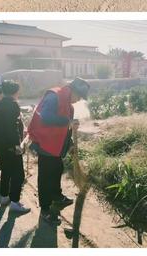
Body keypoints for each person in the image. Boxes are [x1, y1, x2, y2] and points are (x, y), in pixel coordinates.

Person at [27, 77, 90, 224]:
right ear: (73, 90)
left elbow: (67, 130)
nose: (79, 100)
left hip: (57, 146)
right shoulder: (54, 96)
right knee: (46, 178)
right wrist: (68, 122)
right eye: (79, 96)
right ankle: (45, 209)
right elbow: (46, 117)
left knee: (57, 171)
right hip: (45, 144)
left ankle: (57, 196)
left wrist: (71, 143)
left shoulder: (70, 106)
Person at [0, 80, 30, 214]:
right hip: (11, 146)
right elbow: (12, 129)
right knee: (18, 175)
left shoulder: (0, 103)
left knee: (6, 171)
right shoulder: (12, 105)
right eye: (19, 90)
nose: (19, 93)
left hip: (0, 145)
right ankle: (15, 202)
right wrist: (17, 146)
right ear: (15, 91)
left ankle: (4, 197)